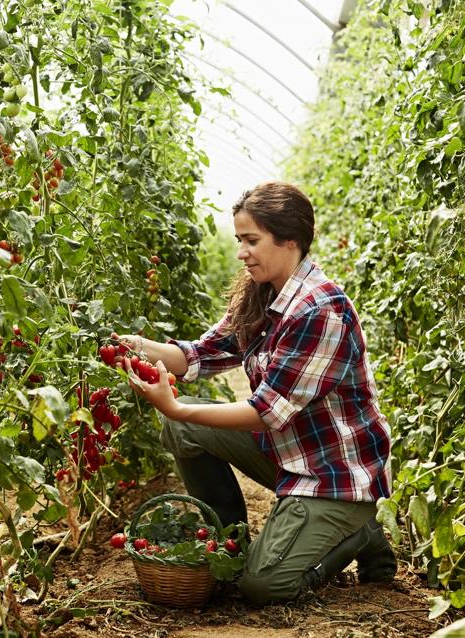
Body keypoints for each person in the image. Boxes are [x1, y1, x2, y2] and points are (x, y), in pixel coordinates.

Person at [116, 181, 396, 605]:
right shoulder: (262, 293)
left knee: (264, 587)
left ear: (290, 240)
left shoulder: (321, 310)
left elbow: (264, 412)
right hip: (289, 454)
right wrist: (134, 346)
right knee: (181, 428)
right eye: (239, 240)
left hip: (333, 475)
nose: (242, 252)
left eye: (251, 240)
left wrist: (176, 407)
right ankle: (228, 538)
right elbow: (202, 354)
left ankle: (360, 532)